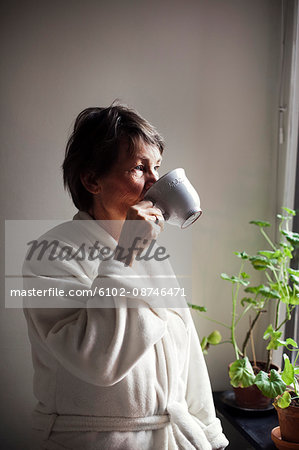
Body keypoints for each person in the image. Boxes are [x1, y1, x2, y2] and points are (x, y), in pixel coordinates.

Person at [23, 103, 229, 450]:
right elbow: (100, 362)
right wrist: (128, 253)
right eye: (138, 168)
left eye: (157, 168)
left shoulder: (151, 255)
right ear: (92, 180)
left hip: (172, 440)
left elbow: (188, 357)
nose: (154, 183)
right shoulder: (49, 254)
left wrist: (210, 435)